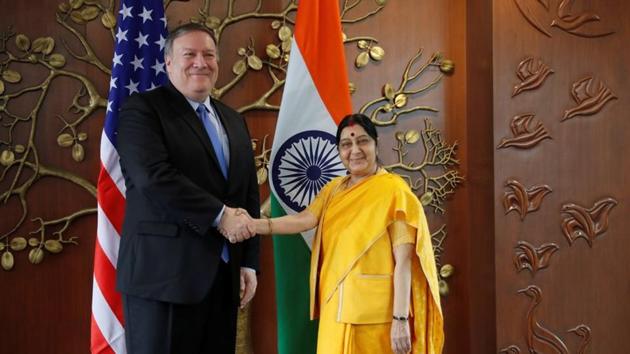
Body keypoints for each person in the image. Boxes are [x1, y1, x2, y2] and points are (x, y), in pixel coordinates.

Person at [115, 23, 260, 354]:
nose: (200, 62)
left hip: (223, 281)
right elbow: (154, 177)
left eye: (208, 54)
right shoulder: (142, 110)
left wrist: (248, 262)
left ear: (218, 64)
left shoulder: (233, 120)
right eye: (189, 54)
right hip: (162, 280)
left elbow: (247, 193)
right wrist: (219, 216)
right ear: (168, 62)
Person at [246, 114, 444, 354]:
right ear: (339, 150)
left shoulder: (394, 192)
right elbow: (304, 219)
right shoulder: (334, 189)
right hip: (334, 309)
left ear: (375, 144)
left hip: (375, 318)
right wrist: (256, 225)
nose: (355, 150)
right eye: (346, 144)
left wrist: (400, 320)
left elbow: (404, 262)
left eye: (363, 141)